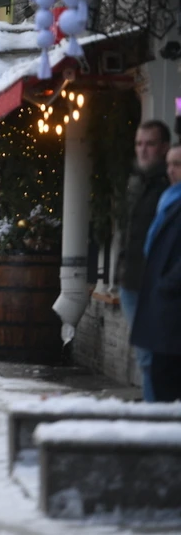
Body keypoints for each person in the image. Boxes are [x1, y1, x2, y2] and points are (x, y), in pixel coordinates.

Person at [118, 119, 170, 402]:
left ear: (163, 147)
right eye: (139, 144)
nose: (143, 150)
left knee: (152, 357)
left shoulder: (166, 186)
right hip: (132, 281)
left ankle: (156, 417)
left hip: (154, 285)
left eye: (150, 144)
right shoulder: (138, 182)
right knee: (145, 356)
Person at [130, 144, 181, 402]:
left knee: (165, 380)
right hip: (160, 302)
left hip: (172, 307)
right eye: (170, 164)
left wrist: (167, 284)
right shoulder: (168, 199)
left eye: (178, 164)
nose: (171, 170)